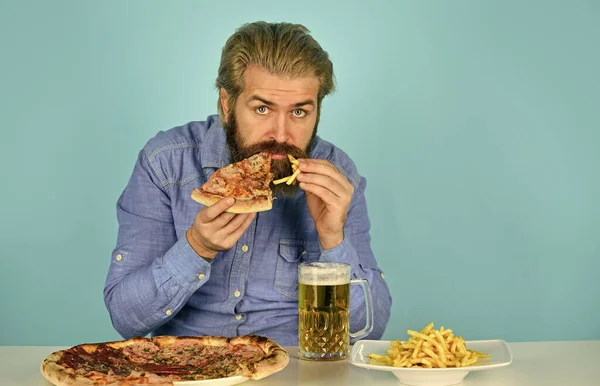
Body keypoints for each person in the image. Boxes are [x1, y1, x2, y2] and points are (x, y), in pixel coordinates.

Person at [104, 21, 392, 346]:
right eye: (262, 108)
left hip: (294, 372)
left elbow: (370, 328)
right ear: (227, 105)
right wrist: (197, 248)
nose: (281, 134)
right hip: (187, 368)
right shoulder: (165, 163)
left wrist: (332, 239)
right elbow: (125, 318)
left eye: (299, 112)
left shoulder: (337, 176)